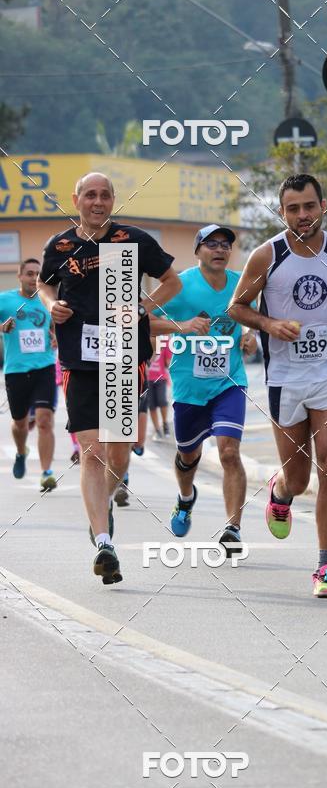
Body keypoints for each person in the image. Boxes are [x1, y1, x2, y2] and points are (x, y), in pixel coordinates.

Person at [228, 174, 327, 597]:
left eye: (309, 206)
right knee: (299, 478)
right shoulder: (266, 256)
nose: (302, 216)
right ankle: (280, 490)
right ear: (282, 212)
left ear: (323, 206)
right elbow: (236, 307)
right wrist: (269, 323)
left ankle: (325, 568)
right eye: (293, 209)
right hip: (284, 379)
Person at [37, 172, 181, 585]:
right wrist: (52, 305)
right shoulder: (60, 245)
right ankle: (104, 542)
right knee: (92, 451)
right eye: (90, 195)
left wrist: (142, 305)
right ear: (76, 199)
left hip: (122, 359)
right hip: (80, 360)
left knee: (118, 455)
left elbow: (172, 280)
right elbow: (45, 286)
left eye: (104, 195)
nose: (97, 202)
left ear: (113, 200)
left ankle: (107, 504)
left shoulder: (131, 240)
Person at [150, 224, 256, 552]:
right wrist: (180, 325)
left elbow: (257, 316)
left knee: (229, 451)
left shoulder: (242, 283)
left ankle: (233, 528)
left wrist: (252, 335)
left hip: (229, 382)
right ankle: (185, 498)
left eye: (225, 245)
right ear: (198, 251)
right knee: (188, 456)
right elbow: (142, 318)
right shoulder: (180, 286)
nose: (220, 250)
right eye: (211, 244)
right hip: (188, 388)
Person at [0, 258, 58, 490]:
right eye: (29, 274)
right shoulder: (6, 300)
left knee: (44, 420)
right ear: (20, 276)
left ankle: (46, 472)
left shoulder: (47, 300)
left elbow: (55, 325)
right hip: (16, 370)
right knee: (20, 423)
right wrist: (2, 327)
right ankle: (21, 451)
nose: (34, 278)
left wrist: (54, 336)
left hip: (44, 367)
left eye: (38, 274)